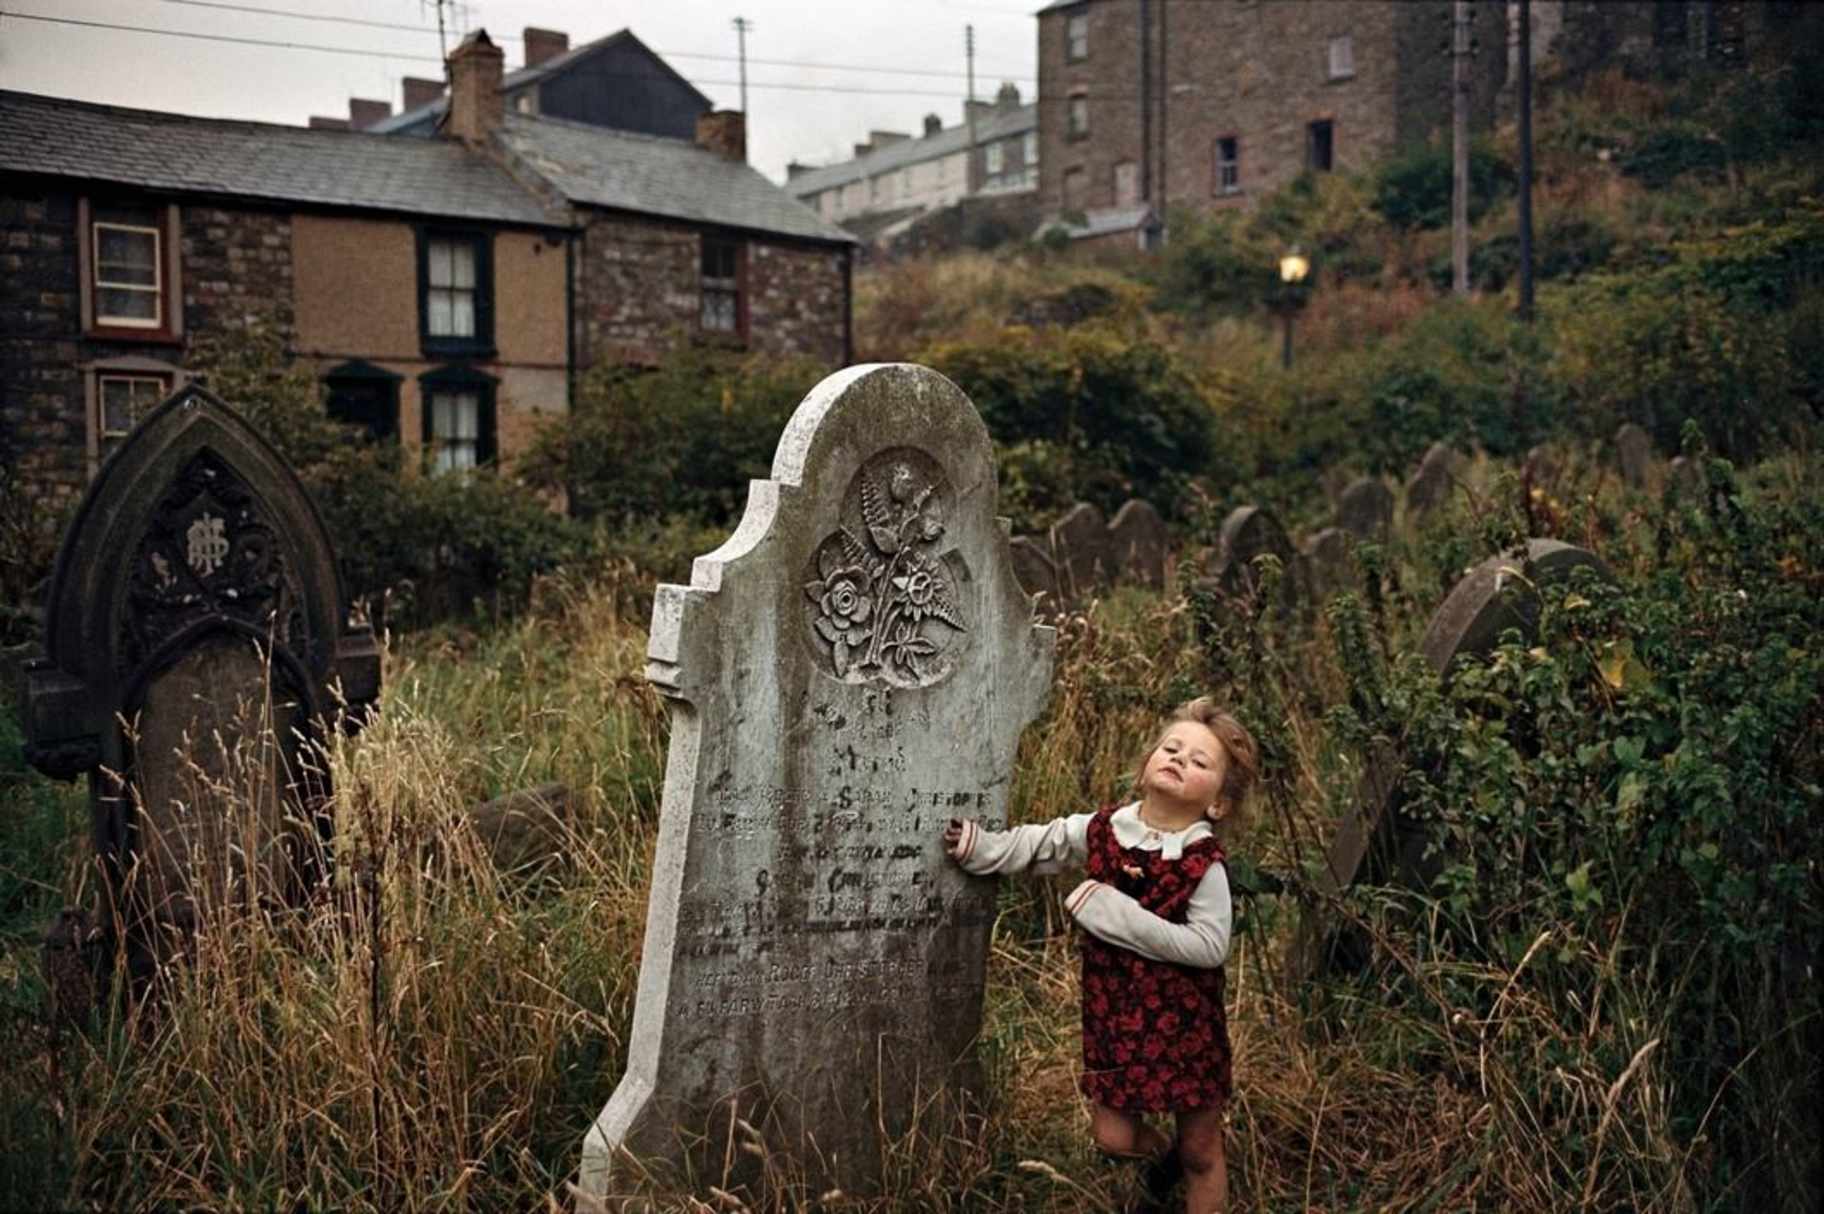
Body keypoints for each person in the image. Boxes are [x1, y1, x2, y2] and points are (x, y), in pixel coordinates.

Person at [942, 697, 1259, 1214]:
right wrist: (981, 849)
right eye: (1171, 748)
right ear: (1145, 767)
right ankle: (1165, 1161)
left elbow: (1209, 947)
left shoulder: (1204, 864)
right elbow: (1042, 843)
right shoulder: (1105, 830)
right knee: (1113, 1138)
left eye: (1200, 762)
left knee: (1202, 1148)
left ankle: (1196, 1171)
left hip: (1186, 1026)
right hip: (1118, 1017)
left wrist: (1119, 914)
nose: (1179, 759)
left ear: (1218, 804)